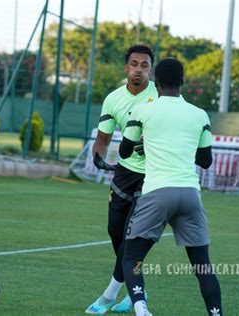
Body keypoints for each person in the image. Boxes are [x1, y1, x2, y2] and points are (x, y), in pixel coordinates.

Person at [119, 58, 222, 316]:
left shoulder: (143, 109)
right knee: (202, 267)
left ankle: (142, 310)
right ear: (182, 82)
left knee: (131, 259)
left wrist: (146, 143)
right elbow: (205, 161)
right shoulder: (200, 115)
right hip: (190, 194)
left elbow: (124, 150)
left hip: (157, 193)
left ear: (156, 82)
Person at [86, 45, 158, 314]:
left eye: (145, 65)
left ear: (150, 69)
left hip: (153, 174)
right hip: (124, 172)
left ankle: (109, 295)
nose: (139, 69)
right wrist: (98, 157)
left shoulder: (161, 96)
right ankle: (135, 289)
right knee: (115, 231)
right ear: (126, 67)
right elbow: (102, 140)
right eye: (134, 64)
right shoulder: (113, 99)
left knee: (131, 236)